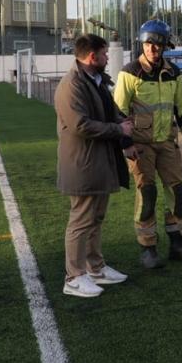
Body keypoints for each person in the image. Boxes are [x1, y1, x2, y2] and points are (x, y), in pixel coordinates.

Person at [114, 19, 182, 268]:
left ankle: (178, 244)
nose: (153, 49)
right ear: (142, 45)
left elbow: (180, 107)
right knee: (147, 194)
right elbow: (118, 111)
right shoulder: (129, 73)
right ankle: (148, 248)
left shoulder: (173, 72)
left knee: (178, 191)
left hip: (167, 143)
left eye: (158, 44)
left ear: (165, 46)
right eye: (149, 44)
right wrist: (126, 144)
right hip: (140, 146)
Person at [55, 33, 136, 298]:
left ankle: (96, 268)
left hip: (98, 161)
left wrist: (124, 129)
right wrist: (118, 128)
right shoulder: (71, 85)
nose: (108, 58)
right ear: (92, 57)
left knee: (95, 217)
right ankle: (74, 277)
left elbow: (111, 112)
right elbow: (80, 125)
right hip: (83, 163)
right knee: (81, 220)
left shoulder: (96, 80)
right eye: (105, 54)